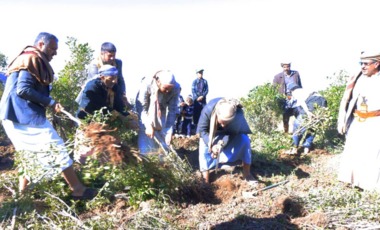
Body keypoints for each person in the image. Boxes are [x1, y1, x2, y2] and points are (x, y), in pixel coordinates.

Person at [0, 32, 96, 200]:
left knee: (28, 154)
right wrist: (50, 102)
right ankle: (77, 189)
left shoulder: (33, 59)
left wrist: (49, 102)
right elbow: (23, 89)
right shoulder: (31, 59)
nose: (55, 52)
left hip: (17, 114)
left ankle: (23, 197)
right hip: (20, 114)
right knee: (55, 145)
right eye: (52, 48)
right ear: (41, 45)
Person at [337, 51, 380, 192]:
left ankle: (370, 188)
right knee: (353, 153)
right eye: (361, 63)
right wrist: (341, 120)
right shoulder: (357, 78)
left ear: (376, 64)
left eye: (366, 64)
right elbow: (345, 99)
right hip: (357, 121)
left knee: (372, 156)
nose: (362, 66)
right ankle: (354, 184)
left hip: (375, 122)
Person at [197, 97, 256, 184]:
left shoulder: (238, 114)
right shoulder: (208, 110)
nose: (223, 125)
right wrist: (212, 145)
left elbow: (232, 134)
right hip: (211, 132)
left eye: (226, 123)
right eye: (221, 122)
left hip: (229, 133)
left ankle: (247, 174)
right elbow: (202, 131)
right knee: (203, 143)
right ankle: (205, 178)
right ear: (217, 115)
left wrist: (221, 145)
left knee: (245, 140)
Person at [135, 70, 181, 155]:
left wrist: (169, 131)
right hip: (145, 105)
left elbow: (173, 110)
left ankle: (160, 155)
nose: (167, 91)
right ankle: (145, 154)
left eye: (169, 89)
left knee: (161, 130)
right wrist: (148, 125)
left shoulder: (176, 88)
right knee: (145, 129)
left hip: (161, 107)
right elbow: (142, 108)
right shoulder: (147, 83)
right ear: (158, 82)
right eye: (165, 88)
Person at [79, 42, 131, 109]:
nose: (112, 58)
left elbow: (120, 79)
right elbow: (97, 83)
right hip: (94, 95)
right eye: (109, 56)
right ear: (102, 54)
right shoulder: (94, 65)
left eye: (114, 56)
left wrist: (122, 94)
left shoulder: (118, 63)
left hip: (113, 92)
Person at [286, 83, 327, 155]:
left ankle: (294, 148)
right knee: (313, 125)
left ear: (291, 90)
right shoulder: (305, 90)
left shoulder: (296, 92)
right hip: (323, 100)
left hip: (313, 100)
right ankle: (306, 148)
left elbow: (301, 102)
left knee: (297, 124)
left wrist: (308, 112)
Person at [273, 62, 302, 133]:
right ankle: (286, 133)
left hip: (295, 98)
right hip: (285, 99)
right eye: (284, 67)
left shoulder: (296, 74)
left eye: (288, 67)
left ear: (290, 66)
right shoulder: (277, 77)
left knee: (299, 115)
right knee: (285, 117)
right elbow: (273, 89)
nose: (286, 68)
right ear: (282, 67)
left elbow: (300, 85)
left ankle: (298, 132)